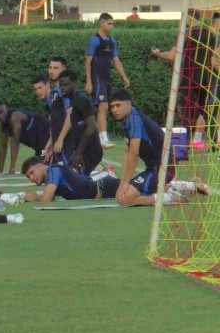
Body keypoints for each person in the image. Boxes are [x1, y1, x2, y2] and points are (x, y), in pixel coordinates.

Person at [109, 89, 210, 206]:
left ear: (128, 104)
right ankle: (189, 185)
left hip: (161, 168)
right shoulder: (128, 119)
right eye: (112, 107)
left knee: (124, 200)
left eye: (118, 105)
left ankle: (170, 196)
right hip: (156, 168)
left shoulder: (134, 119)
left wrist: (125, 184)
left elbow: (133, 153)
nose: (115, 110)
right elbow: (126, 152)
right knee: (123, 195)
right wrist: (122, 183)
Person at [151, 10, 220, 149]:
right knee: (207, 113)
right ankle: (215, 143)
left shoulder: (185, 34)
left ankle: (183, 148)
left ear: (189, 18)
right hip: (206, 78)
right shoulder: (210, 34)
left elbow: (172, 56)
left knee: (187, 114)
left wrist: (157, 53)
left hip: (189, 79)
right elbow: (215, 59)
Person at [85, 13, 130, 150]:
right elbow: (88, 61)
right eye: (109, 23)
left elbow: (116, 60)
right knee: (103, 106)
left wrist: (124, 77)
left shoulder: (112, 41)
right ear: (101, 23)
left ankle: (97, 137)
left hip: (106, 79)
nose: (111, 26)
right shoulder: (94, 40)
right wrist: (88, 82)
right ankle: (103, 139)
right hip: (97, 79)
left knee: (105, 107)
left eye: (112, 24)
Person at [58, 70, 103, 176]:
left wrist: (79, 153)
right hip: (84, 152)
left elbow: (91, 127)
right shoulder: (74, 100)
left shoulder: (81, 100)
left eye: (66, 85)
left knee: (76, 181)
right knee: (71, 178)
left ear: (75, 83)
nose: (62, 88)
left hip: (90, 152)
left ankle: (105, 176)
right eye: (61, 85)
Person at [20, 156, 118, 202]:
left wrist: (35, 197)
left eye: (32, 172)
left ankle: (105, 172)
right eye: (28, 176)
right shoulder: (49, 175)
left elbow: (46, 198)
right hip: (101, 189)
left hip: (106, 187)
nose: (31, 178)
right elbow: (51, 197)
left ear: (40, 166)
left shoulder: (54, 171)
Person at [0, 101, 50, 174]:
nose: (0, 116)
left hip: (48, 136)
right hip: (39, 145)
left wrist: (12, 169)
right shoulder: (3, 124)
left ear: (6, 107)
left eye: (1, 112)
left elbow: (15, 142)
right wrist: (0, 170)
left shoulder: (15, 116)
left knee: (42, 167)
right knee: (36, 166)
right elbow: (3, 145)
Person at [42, 57, 73, 165]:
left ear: (64, 70)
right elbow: (53, 120)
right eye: (50, 67)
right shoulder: (53, 93)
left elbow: (70, 115)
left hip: (68, 141)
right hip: (57, 142)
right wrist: (51, 142)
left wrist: (60, 139)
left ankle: (104, 172)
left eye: (55, 68)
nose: (51, 71)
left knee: (71, 170)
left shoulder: (65, 90)